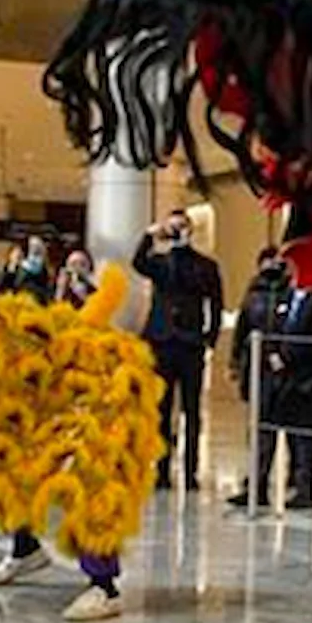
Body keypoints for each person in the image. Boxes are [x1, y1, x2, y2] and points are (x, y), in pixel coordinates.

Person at [230, 252, 312, 510]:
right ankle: (256, 485)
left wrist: (284, 357)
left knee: (301, 436)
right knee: (264, 430)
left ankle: (304, 488)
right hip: (274, 374)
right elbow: (268, 326)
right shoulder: (280, 293)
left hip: (304, 376)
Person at [134, 209, 223, 491]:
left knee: (191, 409)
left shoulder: (204, 265)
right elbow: (137, 263)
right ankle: (161, 469)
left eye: (181, 227)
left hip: (190, 344)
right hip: (161, 342)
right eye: (173, 227)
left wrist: (210, 337)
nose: (176, 231)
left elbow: (216, 302)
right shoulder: (160, 263)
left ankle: (191, 470)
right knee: (161, 409)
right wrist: (150, 237)